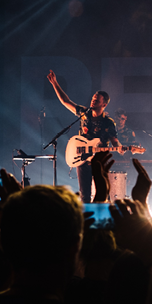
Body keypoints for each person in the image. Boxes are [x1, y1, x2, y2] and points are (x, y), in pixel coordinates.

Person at [48, 69, 120, 203]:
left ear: (104, 105)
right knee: (84, 196)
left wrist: (120, 148)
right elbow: (65, 101)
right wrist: (55, 83)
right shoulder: (84, 113)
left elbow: (114, 141)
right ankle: (86, 220)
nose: (93, 102)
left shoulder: (108, 122)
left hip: (100, 160)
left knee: (102, 194)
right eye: (93, 99)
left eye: (96, 101)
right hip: (82, 159)